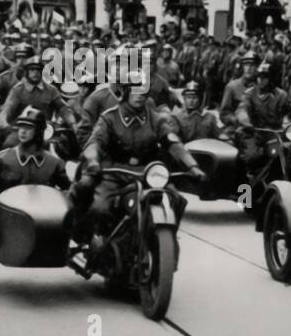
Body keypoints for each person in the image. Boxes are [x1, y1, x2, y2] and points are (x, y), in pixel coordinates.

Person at [72, 70, 206, 244]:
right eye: (134, 90)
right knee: (101, 208)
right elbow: (94, 143)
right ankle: (100, 243)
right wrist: (93, 162)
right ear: (125, 92)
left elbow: (173, 143)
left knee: (176, 200)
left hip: (146, 174)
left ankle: (165, 243)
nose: (140, 95)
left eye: (143, 91)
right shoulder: (109, 117)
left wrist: (193, 166)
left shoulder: (154, 118)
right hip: (113, 173)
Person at [0, 106, 72, 199]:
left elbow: (69, 191)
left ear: (39, 131)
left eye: (28, 127)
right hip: (10, 215)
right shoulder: (5, 158)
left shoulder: (54, 163)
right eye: (21, 126)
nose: (22, 131)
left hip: (42, 216)